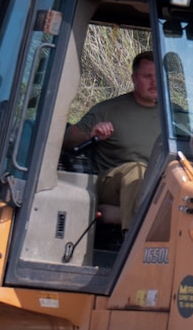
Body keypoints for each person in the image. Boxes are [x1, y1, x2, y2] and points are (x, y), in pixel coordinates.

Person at [62, 51, 163, 227]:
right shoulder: (108, 110)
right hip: (112, 183)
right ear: (134, 78)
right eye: (148, 76)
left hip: (162, 183)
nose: (154, 82)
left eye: (158, 77)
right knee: (137, 171)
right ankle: (134, 243)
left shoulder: (176, 115)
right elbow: (67, 139)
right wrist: (90, 135)